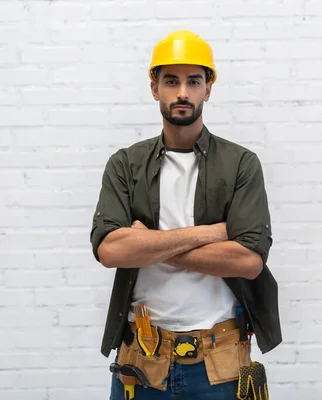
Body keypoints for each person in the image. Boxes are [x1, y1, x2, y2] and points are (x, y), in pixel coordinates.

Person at [90, 30, 281, 399]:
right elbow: (111, 252)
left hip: (220, 365)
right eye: (171, 81)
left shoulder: (240, 164)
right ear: (154, 88)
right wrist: (208, 234)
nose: (182, 92)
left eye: (194, 81)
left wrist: (147, 242)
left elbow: (248, 261)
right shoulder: (125, 165)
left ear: (208, 89)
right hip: (140, 365)